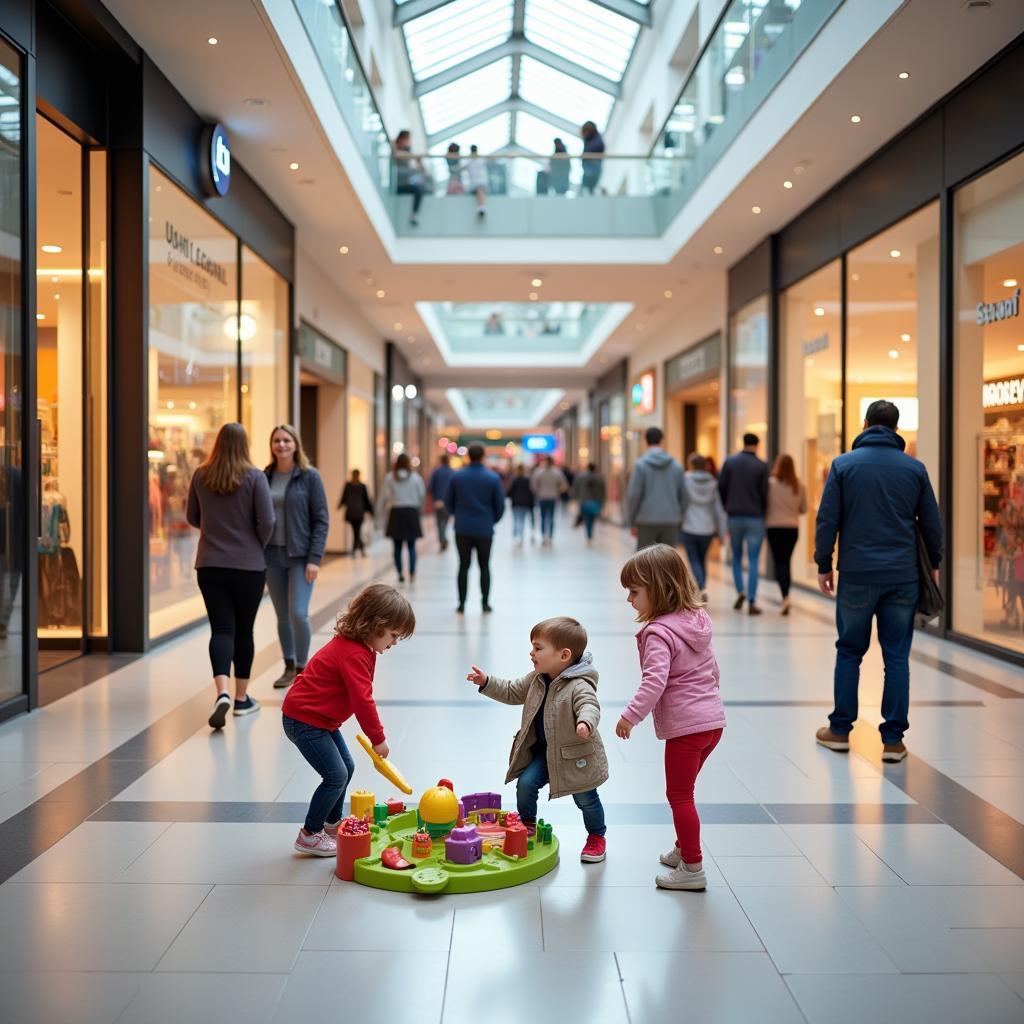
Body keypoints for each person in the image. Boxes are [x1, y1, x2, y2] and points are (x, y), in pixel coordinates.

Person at [814, 400, 943, 763]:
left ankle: (840, 731)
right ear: (896, 428)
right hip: (902, 576)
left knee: (849, 651)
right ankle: (893, 741)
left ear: (866, 424)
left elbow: (828, 520)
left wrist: (824, 563)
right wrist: (933, 563)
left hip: (856, 574)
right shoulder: (914, 469)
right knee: (897, 656)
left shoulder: (843, 465)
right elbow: (932, 524)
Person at [616, 544, 726, 891]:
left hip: (686, 729)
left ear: (658, 587)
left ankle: (692, 867)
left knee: (680, 796)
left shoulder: (658, 633)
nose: (630, 600)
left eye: (634, 592)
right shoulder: (698, 620)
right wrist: (711, 701)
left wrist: (630, 716)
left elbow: (655, 680)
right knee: (686, 792)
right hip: (712, 724)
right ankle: (683, 848)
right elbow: (712, 668)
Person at [282, 583, 415, 856]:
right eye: (392, 635)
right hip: (305, 720)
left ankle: (331, 824)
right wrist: (378, 739)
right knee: (335, 775)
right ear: (376, 624)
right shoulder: (354, 653)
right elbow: (362, 700)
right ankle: (310, 833)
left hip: (321, 719)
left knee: (347, 766)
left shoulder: (360, 647)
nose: (393, 643)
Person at [466, 616, 609, 864]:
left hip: (575, 756)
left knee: (586, 798)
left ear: (563, 656)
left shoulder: (579, 684)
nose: (531, 653)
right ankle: (527, 823)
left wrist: (585, 722)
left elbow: (589, 705)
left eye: (538, 648)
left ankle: (597, 836)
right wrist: (487, 682)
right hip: (544, 752)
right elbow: (511, 690)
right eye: (533, 647)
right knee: (526, 784)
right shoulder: (536, 678)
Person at [186, 422, 274, 730]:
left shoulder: (201, 475)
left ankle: (221, 691)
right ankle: (240, 699)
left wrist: (215, 532)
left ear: (217, 444)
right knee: (244, 631)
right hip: (248, 565)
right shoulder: (255, 477)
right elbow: (267, 520)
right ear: (245, 445)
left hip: (209, 563)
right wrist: (253, 544)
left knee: (221, 629)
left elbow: (192, 516)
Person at [264, 425, 330, 690]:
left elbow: (321, 519)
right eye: (277, 441)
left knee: (298, 613)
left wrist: (315, 558)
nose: (281, 445)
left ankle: (303, 669)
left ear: (295, 444)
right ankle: (289, 665)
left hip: (301, 557)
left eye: (286, 440)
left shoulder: (309, 477)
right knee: (281, 615)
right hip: (271, 555)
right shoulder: (264, 476)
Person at [445, 442, 504, 614]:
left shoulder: (457, 477)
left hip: (462, 528)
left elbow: (448, 502)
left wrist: (458, 514)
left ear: (468, 456)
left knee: (463, 566)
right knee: (484, 566)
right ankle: (485, 603)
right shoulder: (492, 478)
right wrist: (491, 520)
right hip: (484, 529)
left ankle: (461, 604)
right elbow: (500, 506)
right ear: (483, 456)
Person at [718, 433, 769, 615]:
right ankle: (752, 600)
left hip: (735, 516)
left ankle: (740, 591)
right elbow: (765, 494)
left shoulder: (730, 462)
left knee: (737, 556)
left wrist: (728, 506)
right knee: (754, 559)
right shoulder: (762, 466)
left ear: (743, 443)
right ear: (757, 445)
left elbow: (721, 487)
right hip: (755, 516)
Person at [625, 427, 688, 551]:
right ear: (662, 441)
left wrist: (632, 521)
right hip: (671, 520)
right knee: (667, 563)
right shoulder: (676, 466)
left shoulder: (640, 465)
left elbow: (634, 495)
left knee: (645, 563)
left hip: (646, 520)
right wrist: (680, 516)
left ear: (645, 442)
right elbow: (685, 496)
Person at [680, 454, 727, 598]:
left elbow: (682, 503)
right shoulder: (712, 482)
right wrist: (721, 531)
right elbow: (718, 508)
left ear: (691, 465)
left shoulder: (685, 480)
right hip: (707, 528)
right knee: (702, 559)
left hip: (689, 526)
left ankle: (700, 586)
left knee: (693, 559)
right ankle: (702, 588)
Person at [766, 454, 807, 616]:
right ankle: (786, 596)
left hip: (774, 527)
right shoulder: (799, 485)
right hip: (792, 528)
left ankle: (785, 597)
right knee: (786, 562)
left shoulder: (770, 484)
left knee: (779, 563)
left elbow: (765, 505)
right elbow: (803, 509)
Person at [380, 453, 425, 583]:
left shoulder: (390, 477)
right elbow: (421, 494)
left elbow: (386, 495)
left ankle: (399, 572)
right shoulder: (416, 477)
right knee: (411, 546)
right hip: (411, 512)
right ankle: (412, 571)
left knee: (397, 546)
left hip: (396, 513)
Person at [393, 130, 428, 226]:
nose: (409, 142)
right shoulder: (395, 147)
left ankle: (414, 214)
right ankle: (414, 214)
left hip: (405, 182)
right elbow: (397, 155)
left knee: (421, 187)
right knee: (417, 186)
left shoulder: (408, 152)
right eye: (407, 139)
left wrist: (419, 163)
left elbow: (423, 171)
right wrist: (413, 157)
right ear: (402, 139)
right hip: (395, 183)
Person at [531, 457, 567, 546]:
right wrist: (557, 491)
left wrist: (539, 492)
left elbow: (533, 486)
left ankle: (544, 536)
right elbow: (564, 486)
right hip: (553, 497)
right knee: (551, 517)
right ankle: (550, 537)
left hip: (542, 497)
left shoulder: (539, 472)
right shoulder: (557, 472)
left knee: (543, 517)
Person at [338, 469, 373, 557]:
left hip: (352, 512)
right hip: (358, 512)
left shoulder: (349, 485)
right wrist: (371, 511)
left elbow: (344, 498)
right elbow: (366, 500)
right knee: (356, 531)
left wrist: (340, 505)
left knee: (356, 531)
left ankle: (356, 550)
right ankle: (359, 549)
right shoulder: (360, 486)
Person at [427, 454, 455, 551]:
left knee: (439, 523)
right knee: (445, 522)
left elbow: (430, 487)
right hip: (448, 502)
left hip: (438, 501)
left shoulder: (436, 472)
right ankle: (443, 538)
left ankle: (442, 538)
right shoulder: (453, 472)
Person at [573, 462, 606, 543]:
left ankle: (589, 535)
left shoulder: (580, 477)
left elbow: (576, 488)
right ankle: (590, 534)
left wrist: (577, 498)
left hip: (584, 501)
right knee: (592, 518)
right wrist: (603, 501)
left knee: (587, 519)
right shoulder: (599, 478)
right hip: (596, 502)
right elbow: (603, 490)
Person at [507, 464, 535, 546]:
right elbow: (531, 492)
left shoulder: (514, 480)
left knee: (517, 520)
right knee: (522, 520)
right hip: (525, 503)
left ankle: (517, 536)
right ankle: (520, 537)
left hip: (516, 503)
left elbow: (510, 491)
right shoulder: (527, 480)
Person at [580, 121, 605, 195]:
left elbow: (598, 148)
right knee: (588, 185)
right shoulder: (588, 140)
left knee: (589, 183)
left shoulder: (596, 140)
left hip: (593, 164)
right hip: (590, 165)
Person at [467, 144, 487, 218]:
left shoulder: (481, 159)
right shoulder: (468, 160)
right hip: (472, 184)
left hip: (480, 183)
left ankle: (481, 207)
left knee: (480, 189)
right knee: (479, 189)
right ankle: (481, 207)